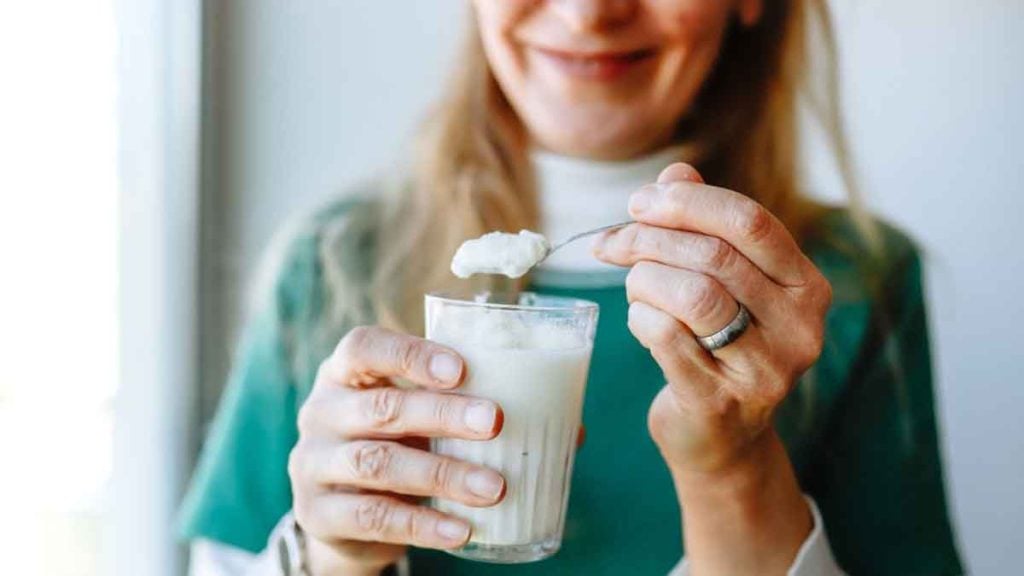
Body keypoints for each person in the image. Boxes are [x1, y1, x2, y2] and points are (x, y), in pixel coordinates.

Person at [178, 1, 964, 574]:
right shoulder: (332, 263)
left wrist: (733, 463)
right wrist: (330, 557)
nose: (590, 15)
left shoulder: (846, 284)